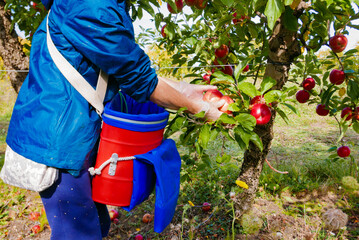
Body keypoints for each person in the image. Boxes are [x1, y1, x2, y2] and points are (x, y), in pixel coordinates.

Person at [4, 0, 225, 239]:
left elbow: (124, 68)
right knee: (78, 232)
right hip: (60, 145)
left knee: (95, 224)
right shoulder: (89, 5)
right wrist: (199, 108)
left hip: (74, 134)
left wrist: (184, 90)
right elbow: (140, 79)